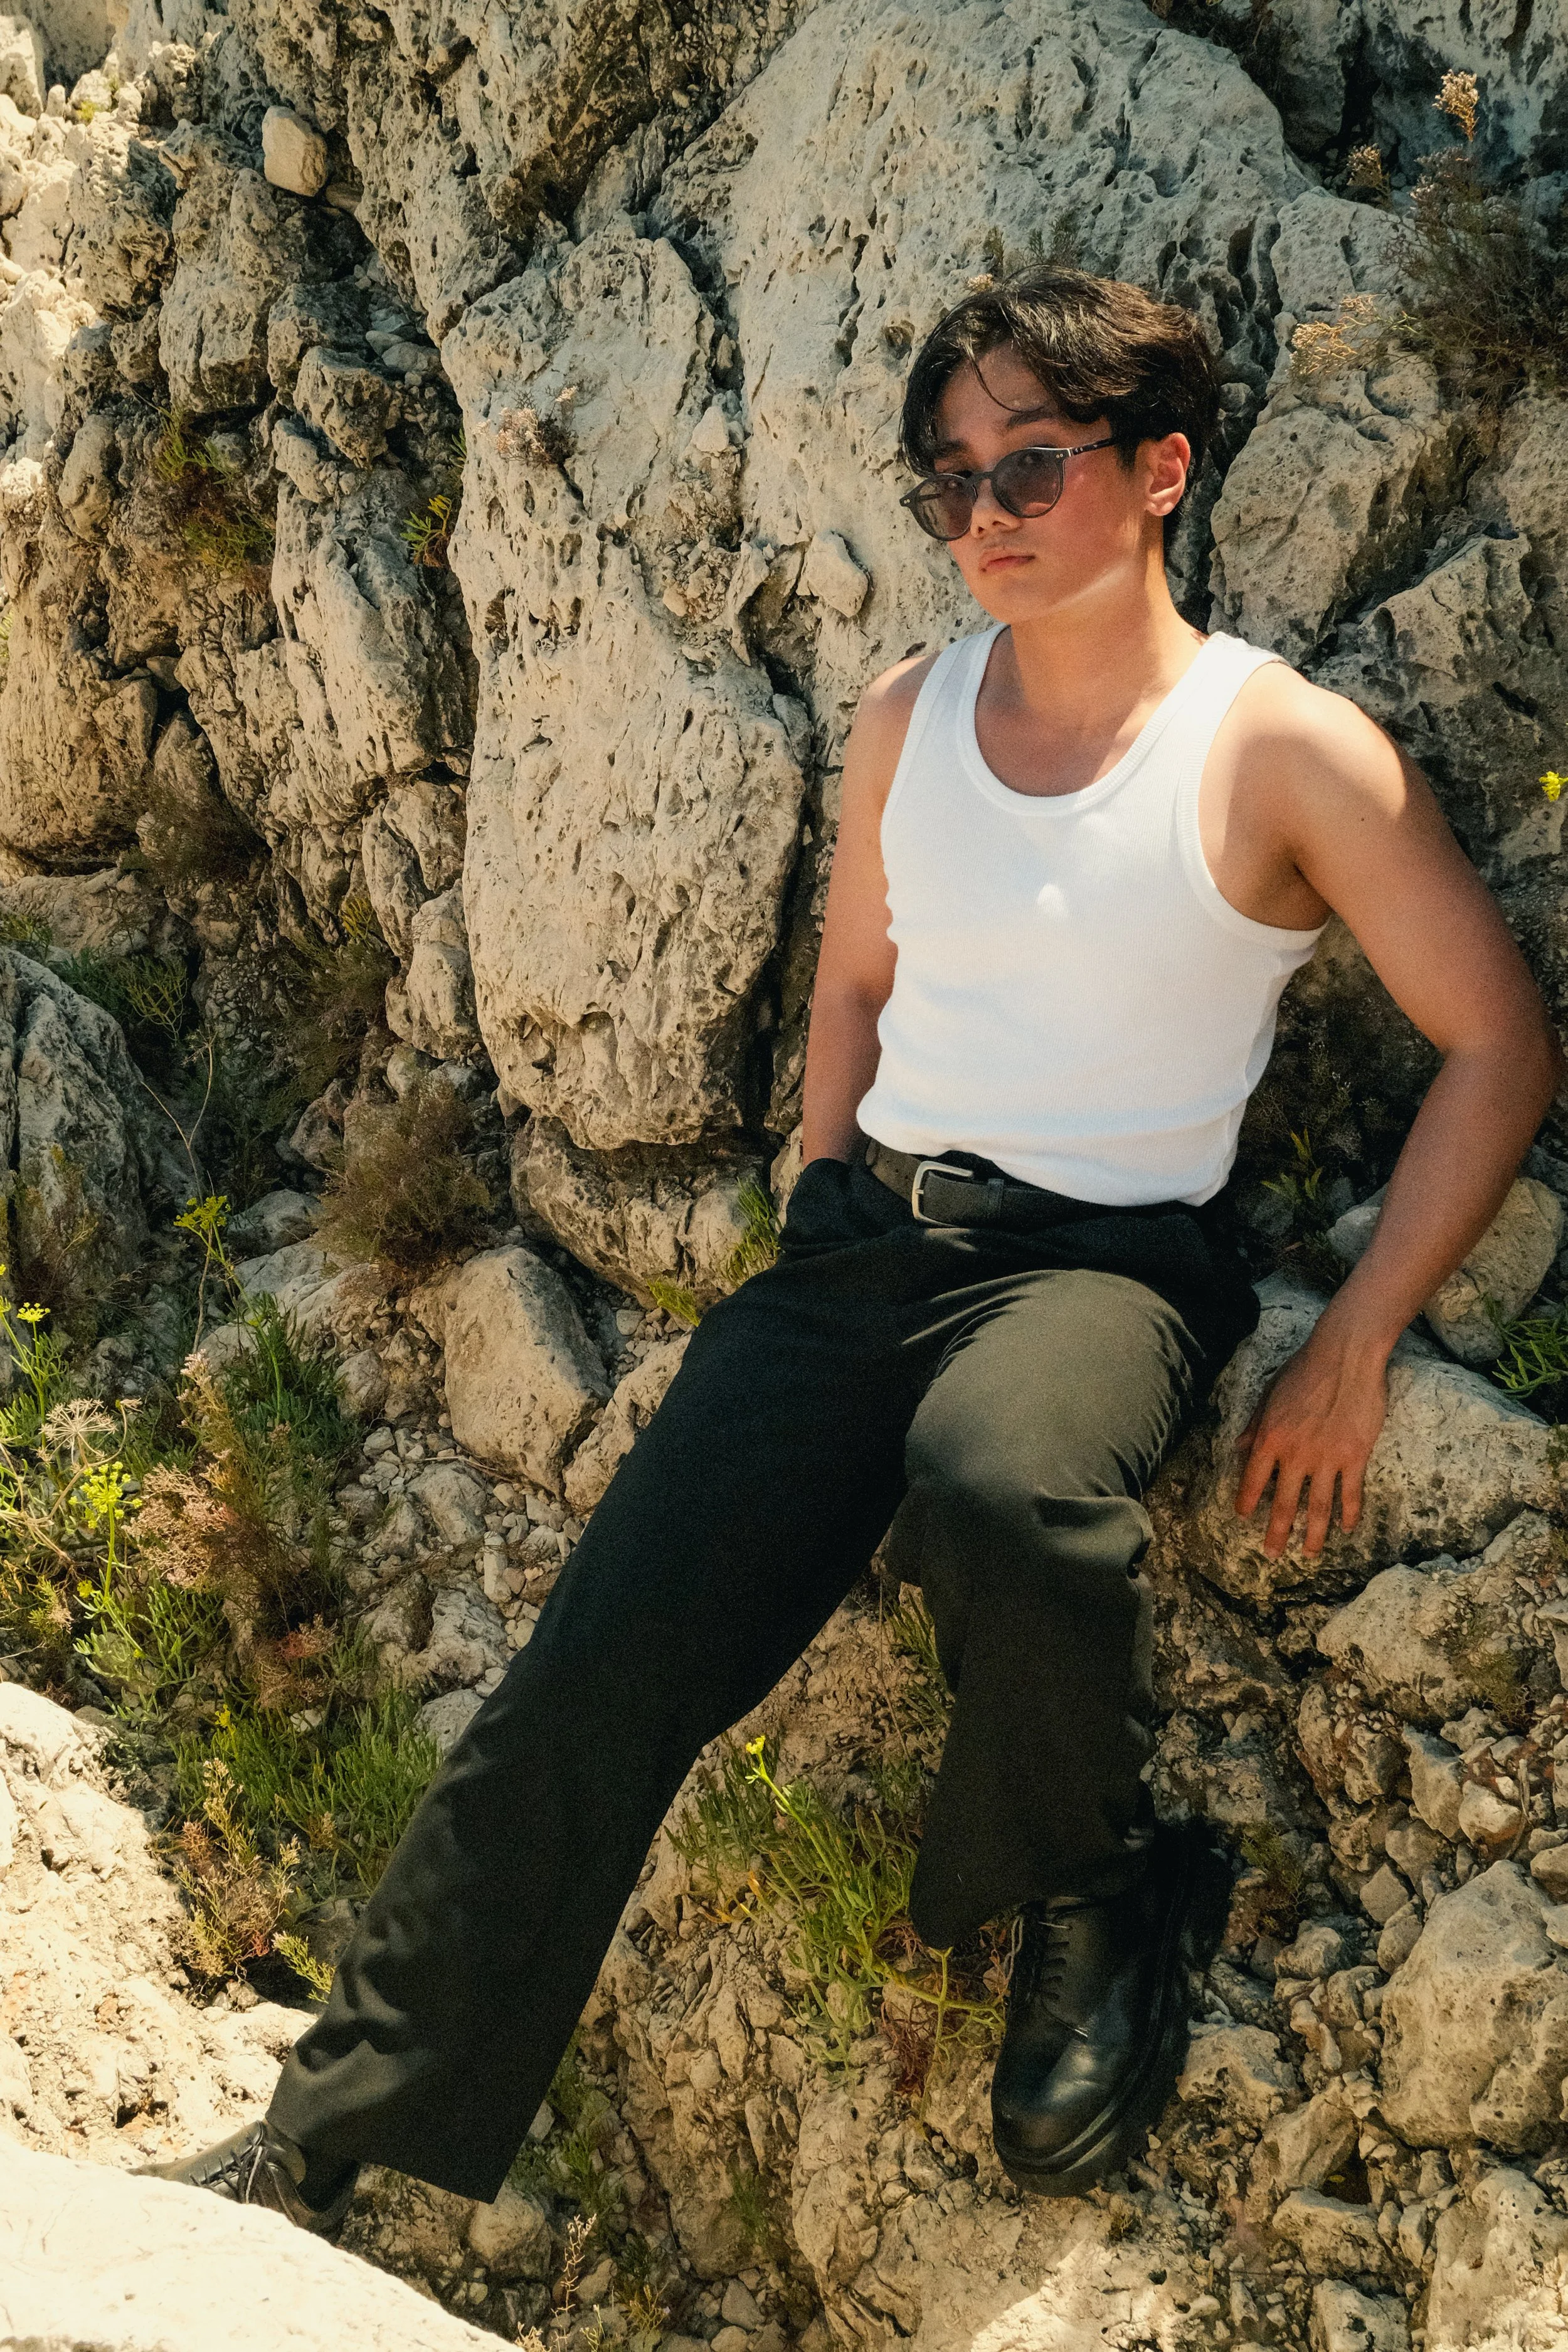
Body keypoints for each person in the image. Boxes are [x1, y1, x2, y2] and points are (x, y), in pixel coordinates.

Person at [150, 267, 1562, 2226]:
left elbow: (1497, 1042)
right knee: (598, 1660)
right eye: (950, 479)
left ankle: (1090, 1879)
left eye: (1031, 467)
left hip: (1102, 1267)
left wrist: (1356, 1341)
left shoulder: (1278, 752)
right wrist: (827, 1196)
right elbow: (855, 987)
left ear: (1160, 471)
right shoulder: (911, 712)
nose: (983, 513)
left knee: (1002, 1490)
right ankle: (329, 2135)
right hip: (860, 1246)